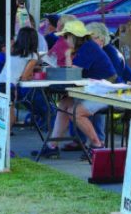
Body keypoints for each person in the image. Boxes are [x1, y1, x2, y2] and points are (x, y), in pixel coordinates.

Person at [35, 20, 116, 158]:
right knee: (63, 104)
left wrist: (56, 66)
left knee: (75, 112)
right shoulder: (84, 48)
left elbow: (73, 71)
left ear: (73, 36)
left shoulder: (88, 48)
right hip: (94, 89)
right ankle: (52, 146)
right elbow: (71, 70)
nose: (64, 40)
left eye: (66, 37)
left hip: (106, 91)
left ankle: (97, 146)